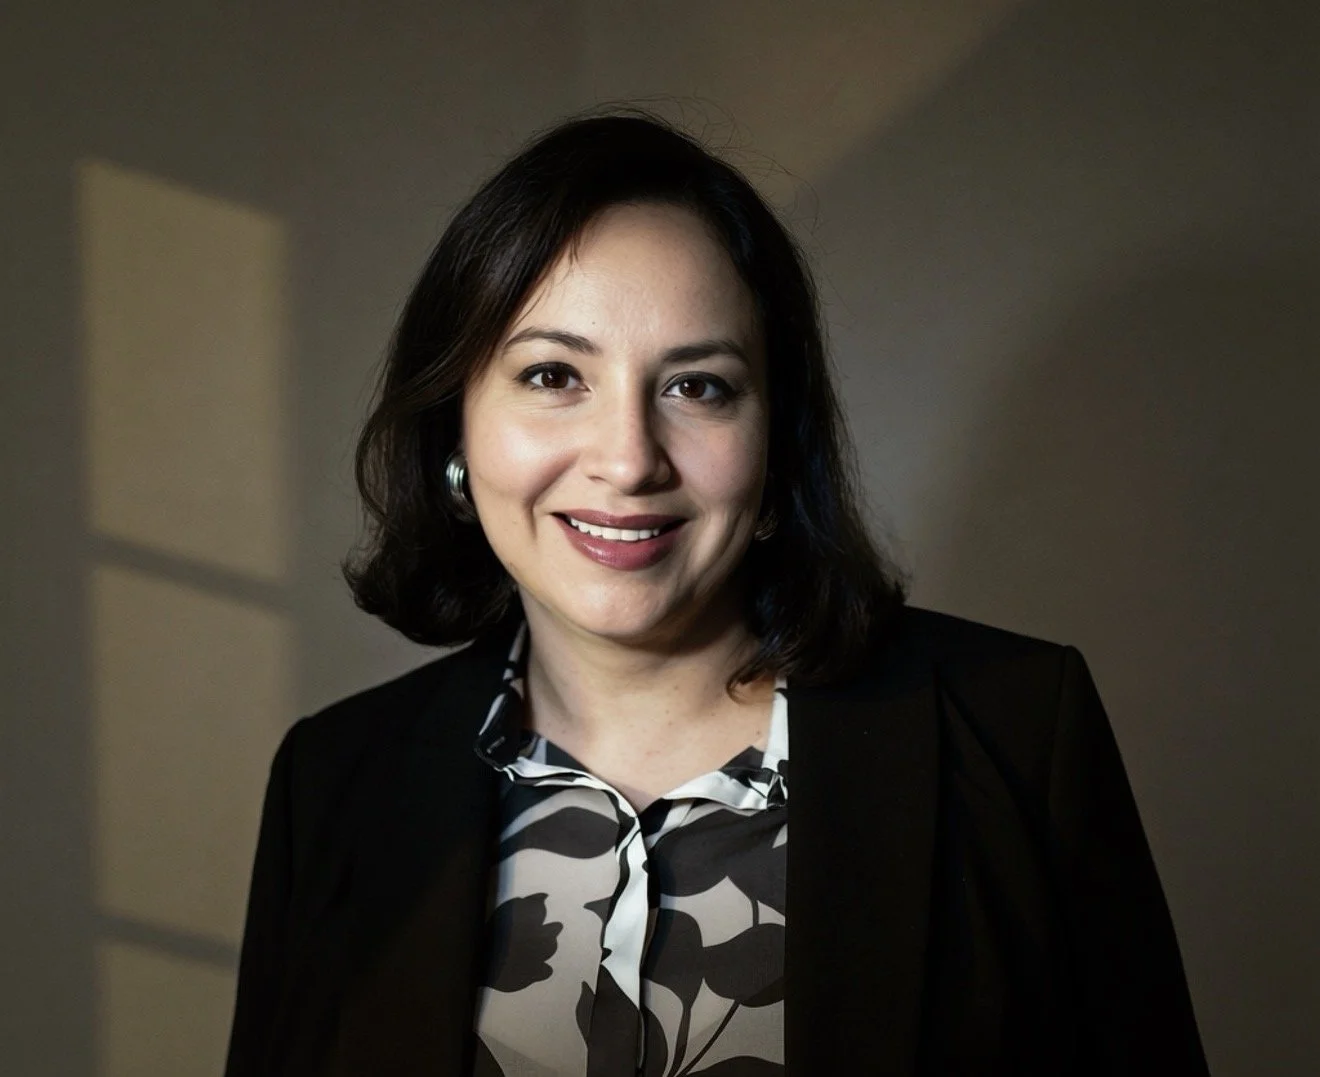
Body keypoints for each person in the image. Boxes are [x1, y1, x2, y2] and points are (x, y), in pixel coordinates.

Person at [224, 112, 1208, 1076]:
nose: (628, 460)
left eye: (696, 386)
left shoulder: (1016, 733)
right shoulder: (334, 784)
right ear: (455, 429)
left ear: (776, 441)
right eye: (554, 374)